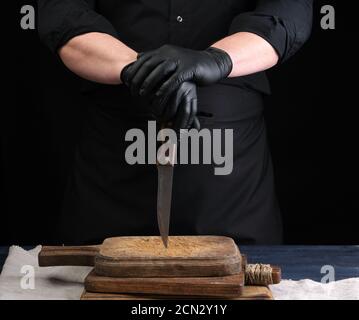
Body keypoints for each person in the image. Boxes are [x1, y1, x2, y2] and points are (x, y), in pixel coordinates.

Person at [38, 0, 313, 245]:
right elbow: (63, 14)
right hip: (110, 187)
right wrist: (144, 71)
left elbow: (288, 14)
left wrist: (215, 60)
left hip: (234, 194)